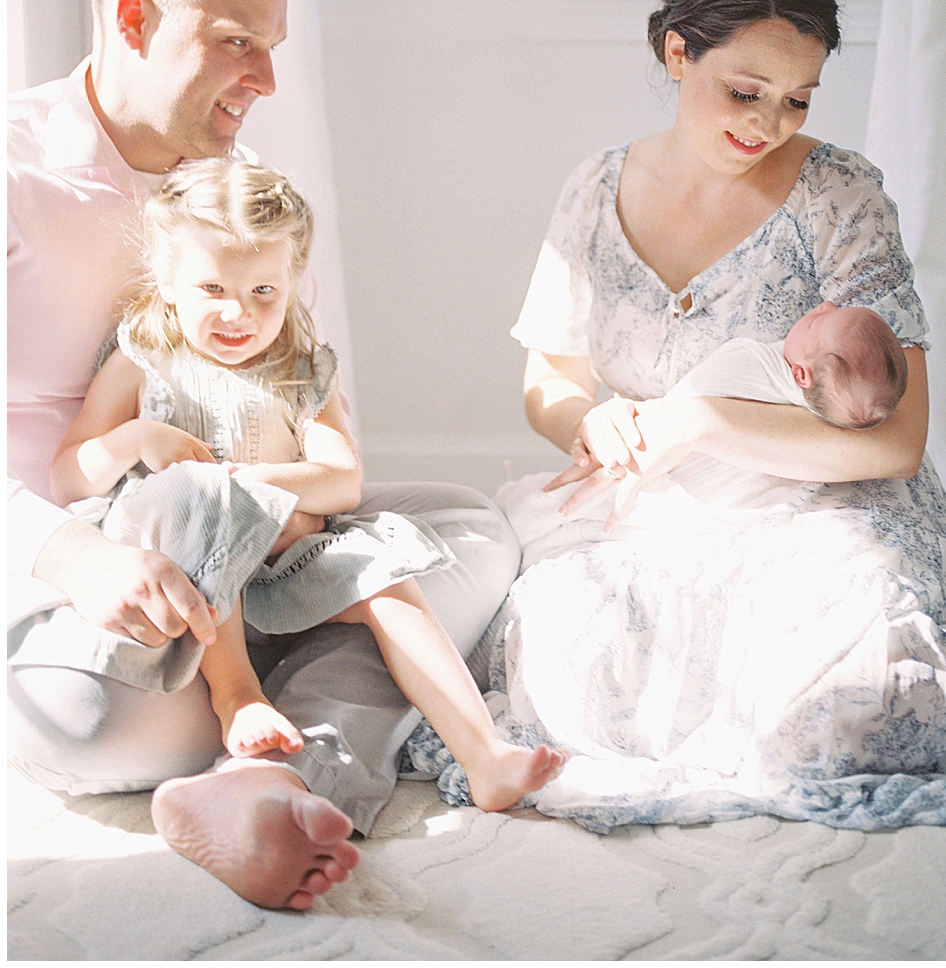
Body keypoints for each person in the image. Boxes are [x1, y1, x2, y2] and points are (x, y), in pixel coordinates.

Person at [8, 0, 520, 910]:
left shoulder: (242, 205)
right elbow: (80, 476)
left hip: (252, 553)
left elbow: (304, 415)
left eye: (274, 48)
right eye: (238, 42)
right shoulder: (12, 173)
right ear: (135, 19)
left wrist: (284, 500)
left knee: (472, 530)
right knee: (84, 716)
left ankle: (267, 769)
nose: (267, 80)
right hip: (73, 592)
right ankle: (281, 712)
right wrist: (76, 554)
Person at [493, 0, 946, 830]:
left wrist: (706, 421)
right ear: (678, 51)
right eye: (744, 91)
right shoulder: (592, 191)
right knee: (564, 638)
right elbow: (547, 378)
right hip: (661, 508)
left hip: (830, 506)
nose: (767, 124)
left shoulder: (842, 197)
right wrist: (592, 420)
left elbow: (896, 439)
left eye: (796, 99)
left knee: (862, 668)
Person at [48, 158, 566, 810]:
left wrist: (255, 493)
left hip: (276, 568)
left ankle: (483, 752)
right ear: (168, 279)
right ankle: (238, 694)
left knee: (386, 571)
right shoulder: (143, 356)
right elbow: (70, 475)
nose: (239, 312)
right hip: (182, 571)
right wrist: (137, 441)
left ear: (293, 282)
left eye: (264, 291)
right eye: (213, 288)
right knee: (208, 500)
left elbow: (341, 481)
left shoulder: (298, 367)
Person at [498, 300, 909, 572]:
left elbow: (680, 411)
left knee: (557, 512)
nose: (822, 305)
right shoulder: (832, 413)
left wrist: (669, 425)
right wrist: (591, 424)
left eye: (820, 320)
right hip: (679, 494)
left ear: (801, 375)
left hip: (683, 495)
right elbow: (551, 382)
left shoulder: (749, 361)